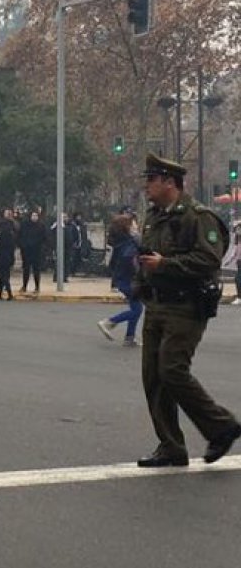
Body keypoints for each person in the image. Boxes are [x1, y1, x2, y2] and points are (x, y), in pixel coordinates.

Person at [133, 154, 241, 468]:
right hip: (157, 304)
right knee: (153, 377)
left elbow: (209, 260)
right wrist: (142, 282)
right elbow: (148, 256)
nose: (147, 186)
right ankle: (171, 446)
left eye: (151, 180)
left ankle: (221, 425)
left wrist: (165, 264)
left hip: (186, 306)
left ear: (170, 182)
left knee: (172, 369)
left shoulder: (198, 216)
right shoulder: (154, 216)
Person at [98, 213, 142, 347]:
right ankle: (109, 322)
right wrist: (138, 272)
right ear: (127, 227)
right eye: (133, 223)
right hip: (128, 280)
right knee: (137, 309)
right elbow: (129, 260)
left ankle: (130, 337)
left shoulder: (121, 241)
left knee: (136, 306)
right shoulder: (130, 243)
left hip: (121, 278)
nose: (136, 225)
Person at [18, 209, 48, 294]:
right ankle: (24, 286)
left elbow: (44, 238)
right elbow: (20, 236)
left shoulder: (41, 226)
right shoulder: (25, 225)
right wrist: (22, 246)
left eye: (36, 216)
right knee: (26, 270)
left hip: (37, 251)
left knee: (36, 270)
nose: (34, 217)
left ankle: (37, 287)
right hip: (26, 251)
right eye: (33, 216)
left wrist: (43, 248)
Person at [0, 209, 16, 300]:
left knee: (1, 276)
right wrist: (12, 259)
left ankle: (4, 293)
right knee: (6, 275)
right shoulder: (11, 236)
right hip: (7, 257)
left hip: (0, 257)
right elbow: (12, 248)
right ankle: (4, 293)